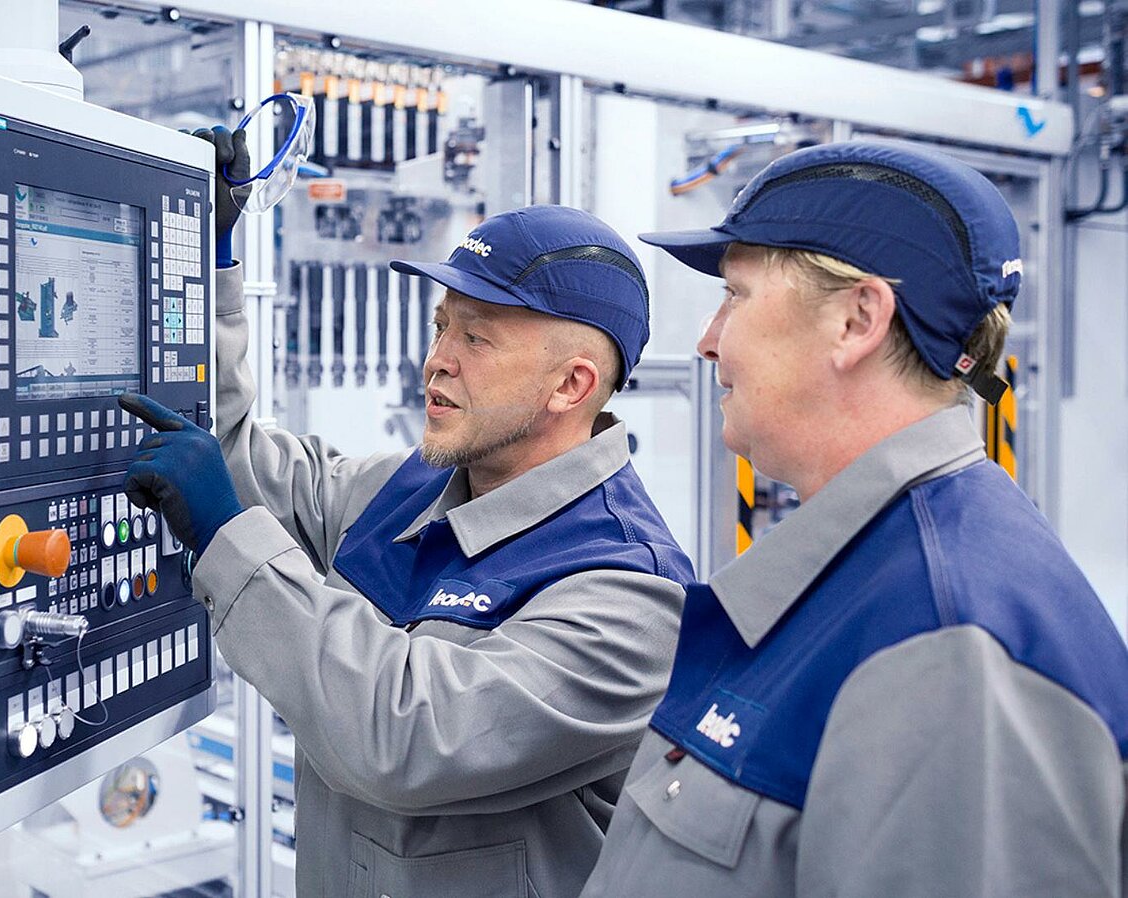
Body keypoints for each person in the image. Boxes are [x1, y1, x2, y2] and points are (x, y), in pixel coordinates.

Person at [118, 126, 693, 897]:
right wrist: (207, 259)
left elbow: (405, 738)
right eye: (440, 325)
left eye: (476, 338)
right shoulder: (404, 491)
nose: (437, 360)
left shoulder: (629, 593)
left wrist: (229, 537)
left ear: (570, 387)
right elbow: (220, 454)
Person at [580, 140, 1128, 898]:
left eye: (735, 295)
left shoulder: (944, 652)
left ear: (857, 319)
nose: (708, 340)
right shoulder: (865, 577)